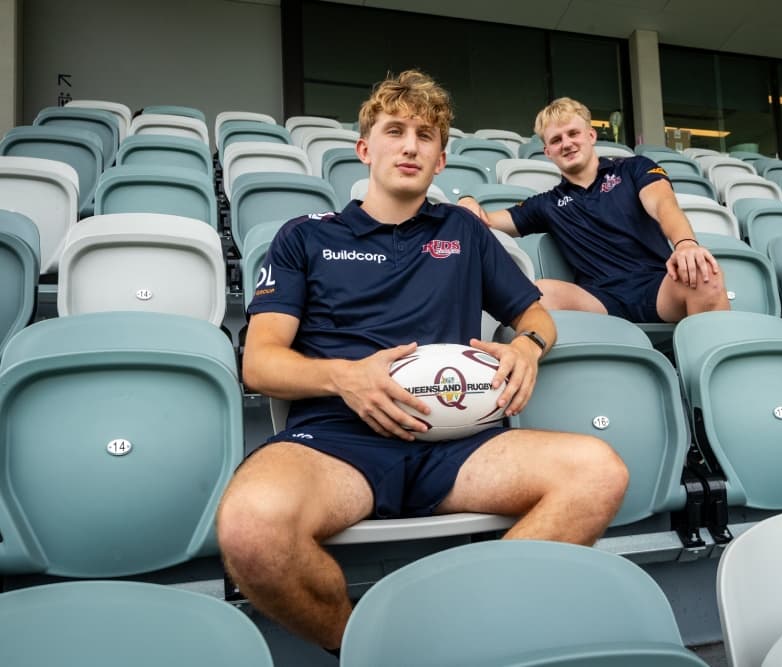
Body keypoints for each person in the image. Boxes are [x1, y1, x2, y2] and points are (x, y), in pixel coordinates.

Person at [215, 71, 629, 652]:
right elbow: (259, 364)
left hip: (458, 437)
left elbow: (536, 318)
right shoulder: (303, 237)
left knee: (599, 472)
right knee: (250, 529)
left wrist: (525, 349)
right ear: (365, 149)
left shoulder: (463, 231)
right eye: (395, 131)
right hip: (339, 440)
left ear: (440, 159)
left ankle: (463, 635)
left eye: (426, 135)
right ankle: (373, 649)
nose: (410, 145)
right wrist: (347, 378)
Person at [459, 97, 730, 324]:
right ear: (548, 152)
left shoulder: (634, 168)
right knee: (538, 293)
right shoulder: (546, 204)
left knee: (705, 274)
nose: (566, 143)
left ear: (590, 135)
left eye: (573, 133)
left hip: (657, 289)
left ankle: (715, 383)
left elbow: (663, 204)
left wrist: (684, 244)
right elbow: (487, 222)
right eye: (556, 140)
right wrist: (468, 201)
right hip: (599, 301)